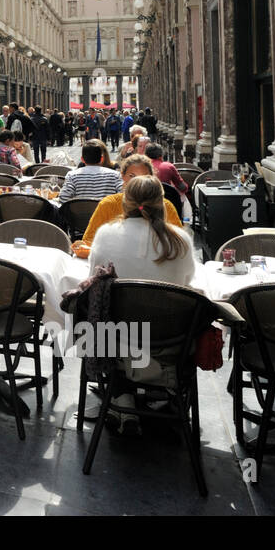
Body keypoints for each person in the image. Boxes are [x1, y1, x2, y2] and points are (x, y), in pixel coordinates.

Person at [86, 174, 200, 433]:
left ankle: (120, 394)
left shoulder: (106, 235)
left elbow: (93, 282)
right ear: (161, 202)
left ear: (125, 202)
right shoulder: (180, 240)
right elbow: (186, 283)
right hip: (170, 342)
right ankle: (160, 397)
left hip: (114, 339)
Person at [81, 154, 182, 244]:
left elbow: (178, 241)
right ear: (123, 176)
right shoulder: (108, 204)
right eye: (132, 176)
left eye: (144, 176)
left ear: (151, 177)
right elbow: (89, 241)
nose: (137, 182)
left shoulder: (165, 205)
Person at [60, 142, 125, 202]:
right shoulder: (115, 175)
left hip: (81, 213)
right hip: (108, 213)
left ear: (82, 159)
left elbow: (63, 198)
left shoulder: (72, 175)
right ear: (102, 159)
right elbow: (124, 196)